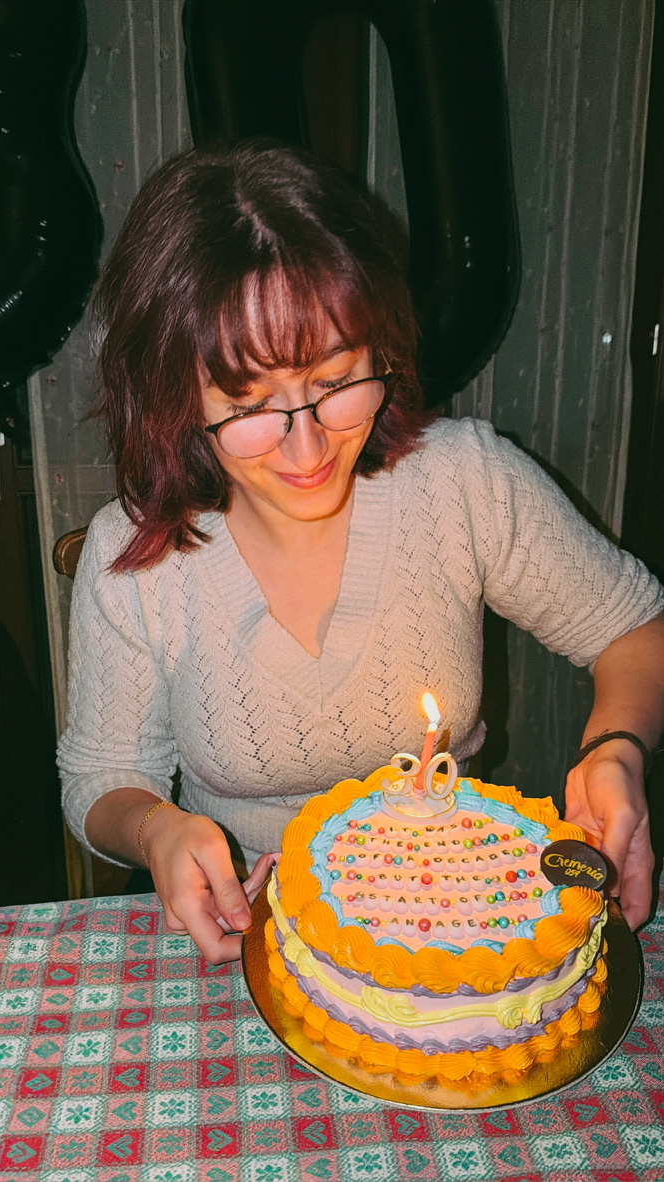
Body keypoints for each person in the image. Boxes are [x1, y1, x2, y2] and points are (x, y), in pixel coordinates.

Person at [58, 142, 664, 965]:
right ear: (172, 396)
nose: (307, 445)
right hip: (247, 932)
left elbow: (633, 629)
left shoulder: (460, 482)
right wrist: (156, 827)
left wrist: (612, 749)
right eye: (248, 405)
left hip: (456, 917)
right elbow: (100, 777)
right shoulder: (135, 558)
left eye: (339, 380)